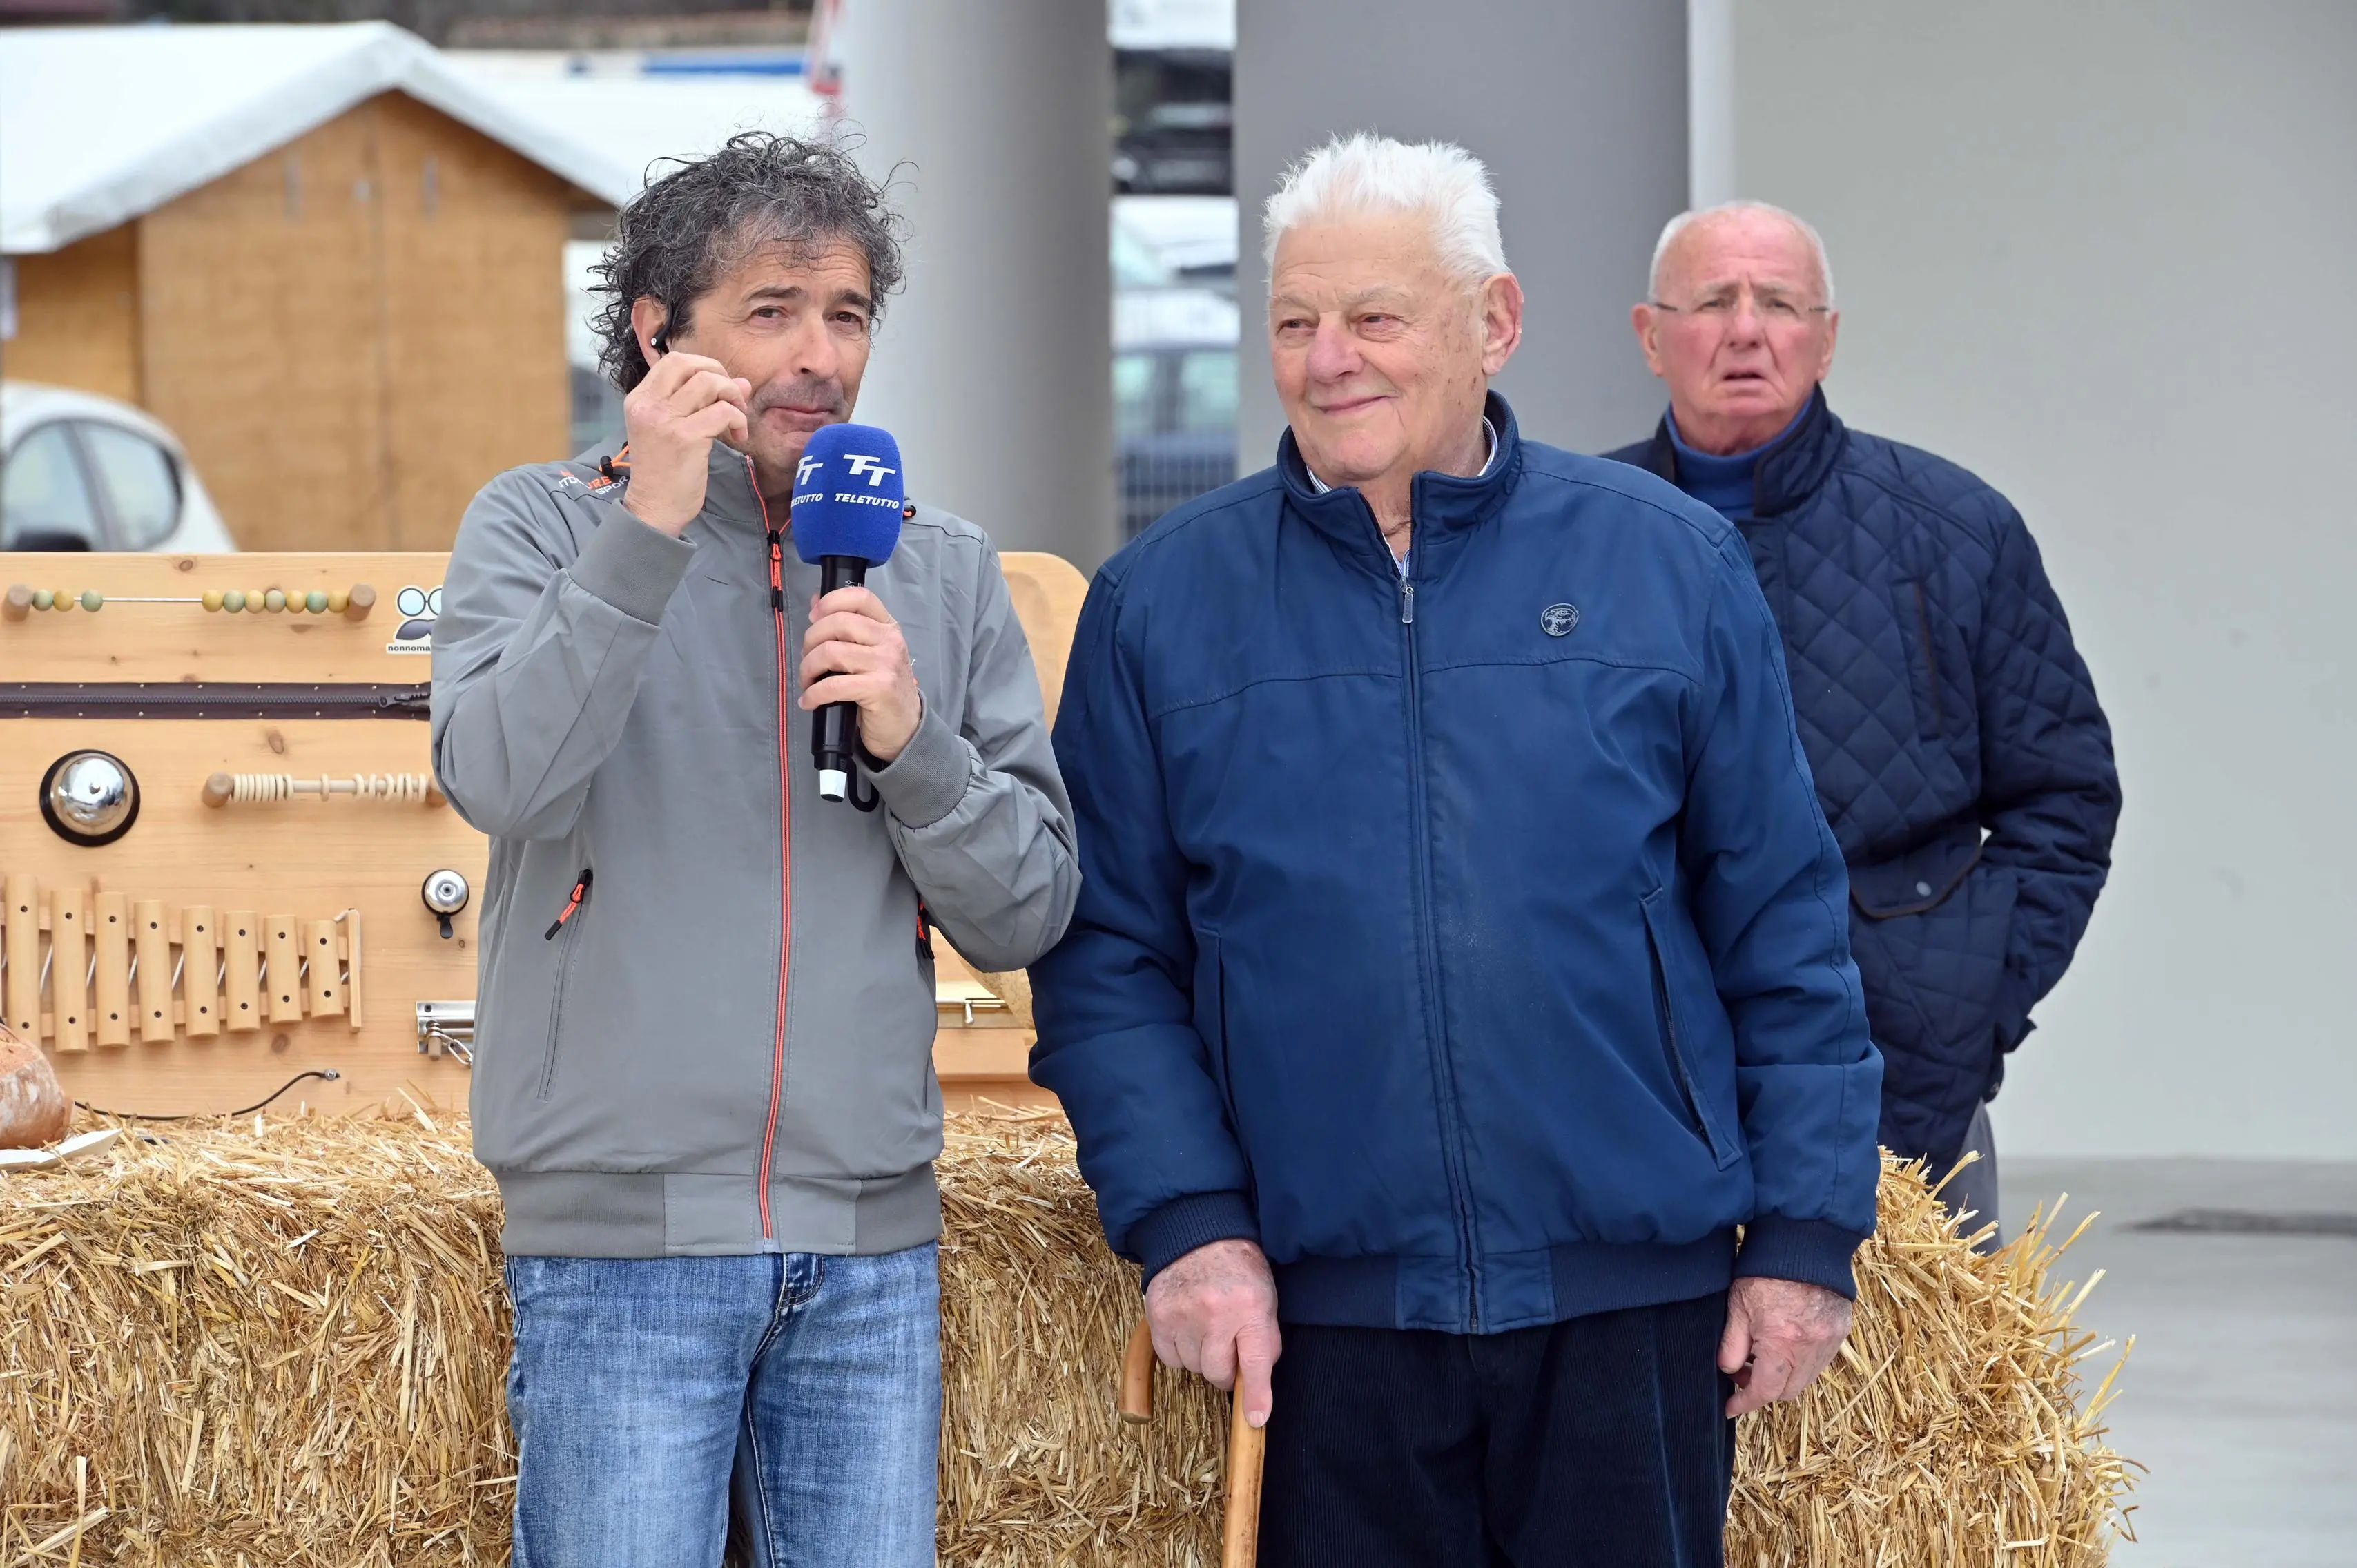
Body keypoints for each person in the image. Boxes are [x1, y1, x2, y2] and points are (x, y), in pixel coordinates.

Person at [1030, 134, 1882, 1568]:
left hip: (1629, 1304)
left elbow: (1782, 920)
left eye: (1375, 317)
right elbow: (1111, 959)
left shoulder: (1668, 564)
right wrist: (1185, 1223)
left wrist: (1805, 1234)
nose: (1328, 360)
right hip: (1326, 1322)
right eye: (1296, 322)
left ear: (1493, 321)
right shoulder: (1158, 605)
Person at [430, 133, 1079, 1568]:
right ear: (660, 331)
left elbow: (1028, 904)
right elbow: (498, 776)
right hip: (620, 1256)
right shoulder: (541, 526)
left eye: (847, 314)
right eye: (773, 309)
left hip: (867, 1254)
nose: (821, 356)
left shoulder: (942, 563)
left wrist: (917, 745)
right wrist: (644, 540)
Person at [1606, 202, 2120, 1238]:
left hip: (1910, 1098)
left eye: (1780, 303)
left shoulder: (1953, 530)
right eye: (1711, 302)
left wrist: (1969, 1008)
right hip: (1634, 1095)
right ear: (1650, 334)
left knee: (1912, 1402)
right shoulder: (1572, 536)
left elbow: (2063, 793)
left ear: (1826, 336)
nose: (1746, 330)